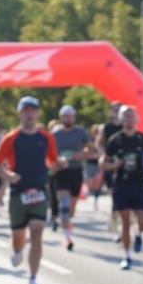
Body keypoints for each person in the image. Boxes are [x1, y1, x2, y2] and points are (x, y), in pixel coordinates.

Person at [0, 96, 61, 284]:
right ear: (20, 113)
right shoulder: (11, 138)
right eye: (26, 110)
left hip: (39, 191)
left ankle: (32, 280)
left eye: (33, 110)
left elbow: (53, 162)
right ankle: (16, 250)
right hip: (18, 193)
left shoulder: (46, 138)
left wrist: (59, 165)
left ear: (37, 113)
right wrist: (8, 175)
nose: (29, 114)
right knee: (17, 236)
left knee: (37, 230)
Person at [101, 105, 143, 270]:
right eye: (126, 117)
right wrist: (114, 166)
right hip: (121, 185)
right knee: (125, 222)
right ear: (121, 119)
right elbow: (103, 163)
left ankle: (139, 234)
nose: (129, 120)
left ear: (136, 119)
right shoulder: (115, 140)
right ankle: (126, 256)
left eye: (132, 117)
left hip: (139, 185)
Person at [51, 105, 91, 250]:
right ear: (61, 117)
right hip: (61, 171)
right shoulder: (55, 134)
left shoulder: (80, 132)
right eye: (65, 116)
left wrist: (81, 154)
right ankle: (67, 237)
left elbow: (89, 148)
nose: (68, 118)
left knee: (71, 209)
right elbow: (50, 152)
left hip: (76, 170)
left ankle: (67, 224)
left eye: (71, 116)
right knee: (64, 204)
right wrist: (57, 159)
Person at [98, 101, 124, 236]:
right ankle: (114, 223)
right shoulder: (106, 128)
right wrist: (105, 155)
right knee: (115, 197)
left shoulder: (126, 126)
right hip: (111, 166)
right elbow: (100, 143)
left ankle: (117, 221)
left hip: (126, 167)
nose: (117, 111)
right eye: (115, 109)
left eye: (120, 109)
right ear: (111, 111)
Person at [84, 124, 104, 210]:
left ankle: (96, 199)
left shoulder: (102, 141)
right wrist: (95, 155)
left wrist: (97, 155)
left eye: (98, 131)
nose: (97, 133)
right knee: (91, 184)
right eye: (95, 131)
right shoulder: (90, 141)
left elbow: (103, 153)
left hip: (99, 165)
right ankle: (92, 196)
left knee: (98, 182)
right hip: (90, 164)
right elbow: (86, 154)